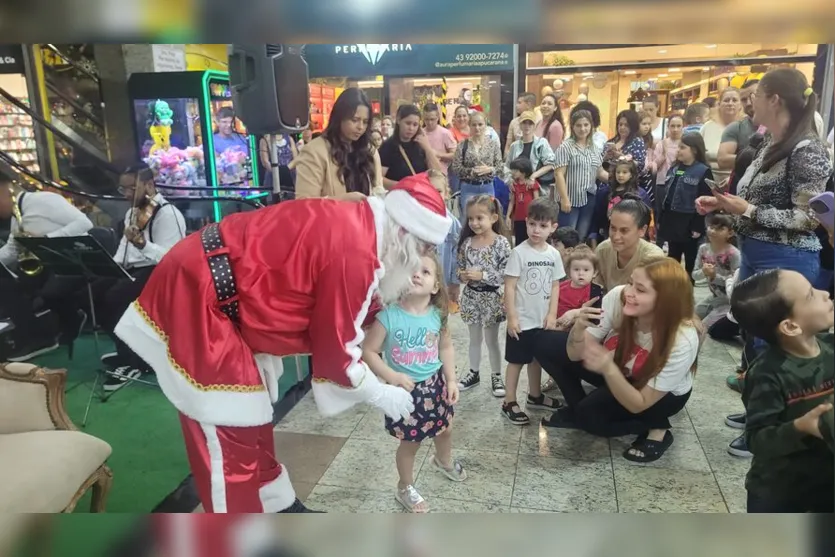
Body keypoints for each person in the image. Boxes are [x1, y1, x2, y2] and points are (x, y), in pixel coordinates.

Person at [114, 173, 454, 513]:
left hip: (229, 296)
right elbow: (336, 353)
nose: (421, 261)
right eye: (424, 248)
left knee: (254, 421)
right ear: (405, 234)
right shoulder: (358, 253)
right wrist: (380, 392)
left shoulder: (366, 224)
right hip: (200, 295)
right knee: (230, 440)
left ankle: (276, 507)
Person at [533, 257, 700, 463]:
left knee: (592, 419)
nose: (629, 292)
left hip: (660, 397)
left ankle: (658, 426)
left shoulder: (682, 338)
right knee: (542, 341)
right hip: (620, 368)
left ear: (665, 300)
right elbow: (574, 355)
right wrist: (578, 329)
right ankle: (579, 409)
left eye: (640, 289)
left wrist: (608, 368)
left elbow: (641, 403)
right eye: (631, 282)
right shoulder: (617, 297)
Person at [361, 253, 464, 513]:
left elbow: (446, 347)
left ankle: (443, 460)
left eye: (425, 272)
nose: (416, 274)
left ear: (436, 286)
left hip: (435, 386)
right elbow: (369, 351)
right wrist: (391, 376)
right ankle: (404, 487)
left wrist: (451, 379)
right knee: (410, 443)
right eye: (411, 270)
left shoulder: (437, 315)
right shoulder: (388, 317)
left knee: (446, 428)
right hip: (405, 393)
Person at [730, 269, 834, 512]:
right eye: (811, 295)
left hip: (826, 479)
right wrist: (801, 427)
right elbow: (756, 440)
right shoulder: (767, 374)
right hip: (779, 489)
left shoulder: (831, 348)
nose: (826, 293)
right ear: (790, 326)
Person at [100, 165, 187, 391]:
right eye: (124, 189)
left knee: (116, 297)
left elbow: (171, 258)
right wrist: (113, 268)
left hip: (161, 272)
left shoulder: (167, 214)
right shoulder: (132, 212)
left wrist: (143, 244)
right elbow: (123, 248)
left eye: (132, 188)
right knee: (94, 291)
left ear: (149, 185)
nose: (127, 194)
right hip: (135, 269)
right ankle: (125, 349)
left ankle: (135, 361)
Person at [0, 182, 94, 361]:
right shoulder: (16, 219)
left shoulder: (45, 200)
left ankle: (65, 322)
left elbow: (84, 223)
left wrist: (46, 240)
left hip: (75, 262)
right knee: (8, 287)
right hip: (47, 266)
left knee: (49, 292)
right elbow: (12, 250)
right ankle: (34, 336)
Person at [502, 198, 563, 425]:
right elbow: (509, 286)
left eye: (543, 226)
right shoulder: (519, 253)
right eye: (532, 224)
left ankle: (535, 395)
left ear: (553, 227)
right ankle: (509, 400)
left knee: (537, 359)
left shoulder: (553, 254)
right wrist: (512, 317)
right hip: (522, 320)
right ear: (526, 222)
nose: (536, 230)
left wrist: (552, 314)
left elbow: (556, 285)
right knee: (517, 360)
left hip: (542, 320)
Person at [456, 195, 510, 396]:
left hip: (491, 300)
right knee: (474, 338)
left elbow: (507, 273)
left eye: (480, 218)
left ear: (494, 218)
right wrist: (462, 276)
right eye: (471, 219)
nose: (474, 223)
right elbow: (459, 268)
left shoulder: (501, 243)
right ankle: (473, 372)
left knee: (492, 340)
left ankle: (496, 375)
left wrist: (482, 275)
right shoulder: (467, 243)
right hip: (471, 297)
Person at [294, 88, 383, 200]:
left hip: (365, 216)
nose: (360, 127)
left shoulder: (369, 151)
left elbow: (378, 188)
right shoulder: (314, 152)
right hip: (332, 217)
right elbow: (304, 203)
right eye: (354, 120)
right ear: (340, 117)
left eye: (365, 122)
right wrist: (341, 201)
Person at [658, 133, 713, 279]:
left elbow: (705, 202)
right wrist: (661, 219)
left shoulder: (703, 171)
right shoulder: (675, 168)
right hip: (672, 220)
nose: (678, 151)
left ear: (694, 150)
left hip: (689, 221)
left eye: (683, 148)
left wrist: (698, 225)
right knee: (672, 258)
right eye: (678, 147)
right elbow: (668, 197)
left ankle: (688, 291)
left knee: (690, 261)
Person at [554, 109, 608, 238]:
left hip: (589, 198)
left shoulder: (594, 147)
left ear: (591, 126)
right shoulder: (565, 147)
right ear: (572, 127)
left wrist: (619, 179)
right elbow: (559, 174)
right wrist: (564, 198)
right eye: (578, 125)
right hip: (570, 199)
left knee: (581, 236)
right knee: (567, 237)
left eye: (586, 125)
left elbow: (599, 172)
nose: (582, 129)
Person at [595, 196, 665, 291]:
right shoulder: (602, 250)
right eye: (613, 228)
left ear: (642, 230)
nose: (616, 236)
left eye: (624, 231)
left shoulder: (653, 258)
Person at [450, 111, 504, 223]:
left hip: (487, 187)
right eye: (474, 125)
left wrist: (490, 169)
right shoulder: (463, 145)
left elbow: (500, 166)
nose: (477, 128)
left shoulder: (493, 144)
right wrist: (471, 172)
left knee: (487, 219)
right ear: (469, 126)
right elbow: (456, 167)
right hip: (468, 187)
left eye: (480, 124)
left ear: (485, 125)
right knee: (468, 220)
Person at [692, 213, 741, 326]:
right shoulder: (703, 249)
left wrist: (714, 276)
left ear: (730, 233)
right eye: (711, 227)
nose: (713, 231)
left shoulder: (734, 254)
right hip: (714, 297)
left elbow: (736, 285)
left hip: (728, 302)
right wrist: (703, 272)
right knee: (690, 317)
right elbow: (694, 275)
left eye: (720, 229)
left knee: (703, 326)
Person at [378, 104, 442, 188]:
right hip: (397, 195)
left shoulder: (420, 143)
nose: (411, 128)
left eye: (415, 125)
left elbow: (437, 173)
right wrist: (404, 185)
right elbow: (379, 178)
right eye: (408, 123)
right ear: (398, 120)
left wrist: (427, 148)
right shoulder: (388, 146)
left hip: (420, 195)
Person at [591, 156, 650, 244]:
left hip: (630, 234)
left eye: (624, 172)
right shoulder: (605, 192)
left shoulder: (640, 194)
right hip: (608, 233)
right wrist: (593, 236)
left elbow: (645, 218)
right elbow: (598, 217)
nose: (620, 175)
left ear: (631, 175)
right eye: (618, 172)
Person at [427, 170, 462, 310]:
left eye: (438, 191)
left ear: (446, 194)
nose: (434, 195)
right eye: (429, 191)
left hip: (443, 282)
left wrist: (455, 282)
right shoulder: (416, 221)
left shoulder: (452, 223)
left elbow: (457, 253)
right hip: (420, 281)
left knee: (442, 318)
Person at [504, 111, 556, 200]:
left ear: (534, 125)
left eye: (530, 123)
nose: (527, 126)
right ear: (520, 125)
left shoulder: (541, 143)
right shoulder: (514, 146)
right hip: (518, 191)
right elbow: (507, 167)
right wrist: (510, 180)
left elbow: (551, 164)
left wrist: (533, 176)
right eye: (524, 123)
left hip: (537, 190)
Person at [555, 245, 605, 331]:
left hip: (581, 330)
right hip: (557, 327)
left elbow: (595, 318)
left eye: (586, 270)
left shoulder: (596, 291)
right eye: (576, 269)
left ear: (594, 272)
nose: (581, 273)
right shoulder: (559, 287)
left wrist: (574, 315)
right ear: (569, 271)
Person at [506, 157, 541, 246]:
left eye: (515, 170)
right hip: (518, 218)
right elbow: (512, 201)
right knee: (519, 240)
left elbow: (537, 200)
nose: (513, 172)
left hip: (530, 217)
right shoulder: (514, 184)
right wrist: (508, 216)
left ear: (523, 171)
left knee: (530, 239)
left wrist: (536, 215)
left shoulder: (532, 184)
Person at [421, 103, 457, 176]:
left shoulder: (445, 133)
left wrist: (439, 154)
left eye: (432, 119)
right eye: (426, 119)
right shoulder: (420, 133)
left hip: (440, 175)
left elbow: (455, 155)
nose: (429, 122)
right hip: (422, 174)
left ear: (437, 117)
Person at [505, 92, 540, 157]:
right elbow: (508, 146)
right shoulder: (514, 122)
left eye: (519, 103)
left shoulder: (540, 121)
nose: (516, 105)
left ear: (528, 105)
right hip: (516, 160)